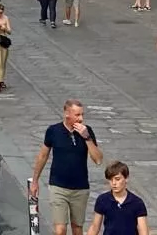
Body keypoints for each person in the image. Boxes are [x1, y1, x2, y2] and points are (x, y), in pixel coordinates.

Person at [29, 99, 105, 235]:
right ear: (67, 114)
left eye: (82, 115)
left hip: (80, 187)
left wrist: (87, 138)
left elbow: (98, 159)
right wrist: (35, 181)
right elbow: (42, 156)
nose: (81, 119)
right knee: (60, 230)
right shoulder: (53, 131)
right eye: (77, 115)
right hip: (58, 186)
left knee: (77, 228)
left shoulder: (87, 132)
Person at [85, 161, 148, 235]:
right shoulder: (102, 200)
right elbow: (94, 227)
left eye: (117, 179)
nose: (114, 183)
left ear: (126, 178)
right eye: (110, 180)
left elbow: (143, 231)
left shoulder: (137, 203)